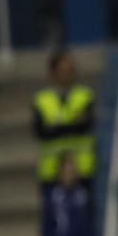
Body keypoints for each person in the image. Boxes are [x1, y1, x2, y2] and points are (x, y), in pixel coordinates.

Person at [33, 51, 96, 191]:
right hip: (50, 171)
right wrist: (73, 122)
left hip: (82, 169)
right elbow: (40, 132)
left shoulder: (85, 95)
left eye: (69, 70)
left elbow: (85, 126)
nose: (66, 74)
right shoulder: (41, 99)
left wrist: (55, 126)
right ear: (52, 72)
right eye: (61, 70)